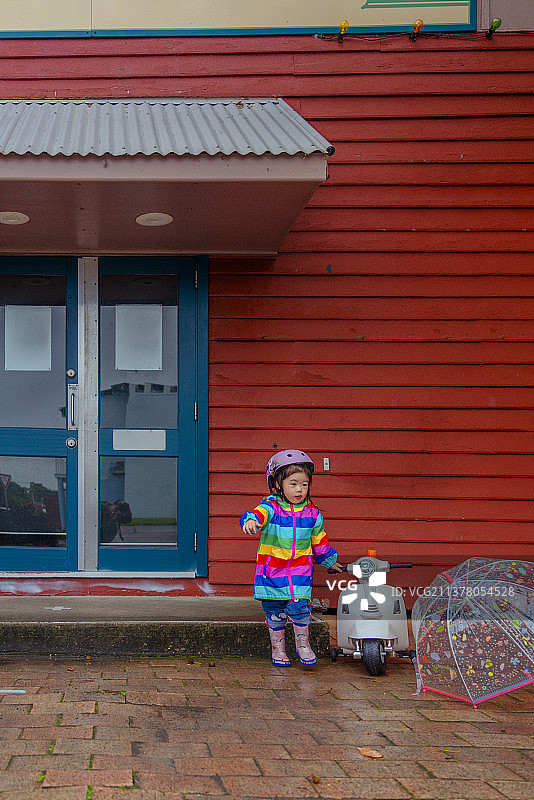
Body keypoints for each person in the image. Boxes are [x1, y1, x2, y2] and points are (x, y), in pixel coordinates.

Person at [240, 449, 343, 667]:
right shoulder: (272, 507)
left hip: (299, 571)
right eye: (293, 484)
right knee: (275, 612)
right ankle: (278, 650)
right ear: (277, 484)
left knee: (300, 609)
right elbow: (257, 513)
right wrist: (250, 520)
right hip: (271, 571)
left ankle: (302, 645)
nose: (299, 490)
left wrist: (329, 560)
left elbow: (319, 542)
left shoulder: (313, 514)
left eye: (304, 484)